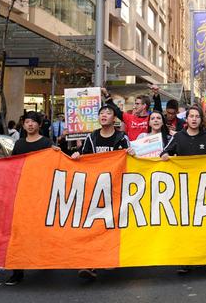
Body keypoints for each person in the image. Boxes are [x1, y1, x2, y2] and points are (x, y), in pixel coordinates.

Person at [161, 105, 206, 274]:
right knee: (185, 226)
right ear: (186, 120)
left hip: (203, 190)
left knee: (202, 224)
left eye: (197, 116)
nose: (194, 119)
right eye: (191, 116)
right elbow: (164, 153)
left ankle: (204, 256)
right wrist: (165, 156)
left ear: (200, 119)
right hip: (183, 190)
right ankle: (185, 260)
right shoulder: (178, 137)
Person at [71, 104, 130, 280]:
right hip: (95, 191)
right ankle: (89, 264)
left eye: (108, 113)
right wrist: (75, 155)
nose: (104, 115)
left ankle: (110, 257)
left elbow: (129, 159)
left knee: (112, 226)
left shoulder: (122, 138)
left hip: (116, 190)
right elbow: (84, 157)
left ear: (114, 118)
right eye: (101, 113)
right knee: (93, 227)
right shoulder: (92, 137)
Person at [6, 111, 55, 286]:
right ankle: (17, 272)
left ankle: (45, 261)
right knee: (19, 233)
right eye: (27, 122)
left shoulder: (47, 143)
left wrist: (57, 153)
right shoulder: (18, 144)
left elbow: (56, 165)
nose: (30, 125)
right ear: (23, 125)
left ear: (39, 125)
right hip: (22, 195)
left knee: (42, 231)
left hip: (42, 194)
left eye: (33, 122)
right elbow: (12, 167)